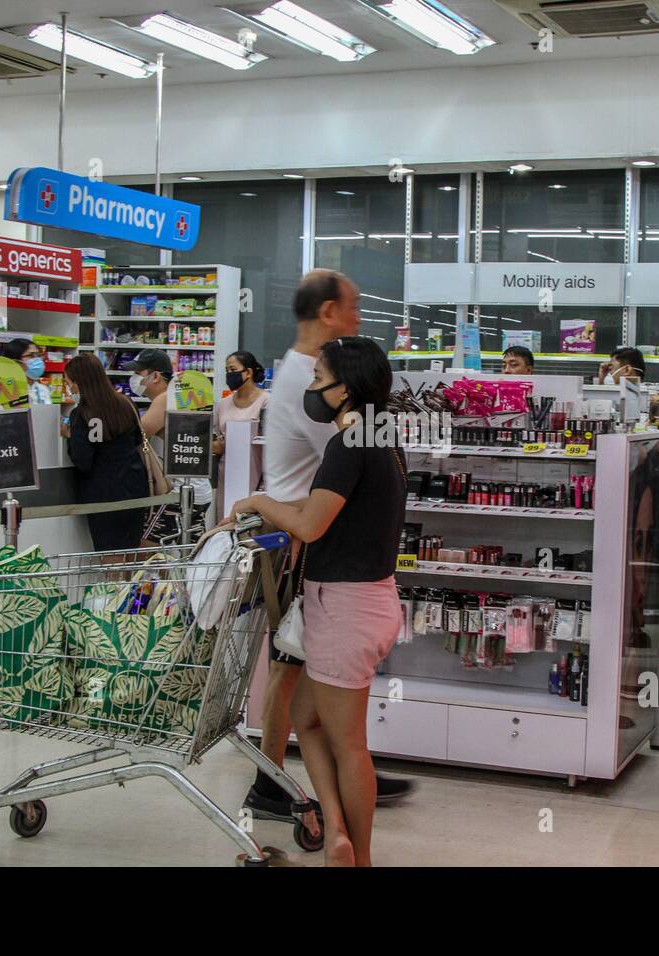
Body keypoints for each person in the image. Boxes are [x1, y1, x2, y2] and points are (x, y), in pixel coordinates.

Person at [243, 269, 413, 823]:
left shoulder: (348, 416)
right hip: (299, 546)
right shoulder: (309, 382)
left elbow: (347, 460)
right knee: (291, 665)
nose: (359, 315)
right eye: (354, 305)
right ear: (328, 312)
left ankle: (306, 776)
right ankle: (281, 778)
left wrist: (257, 503)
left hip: (313, 540)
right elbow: (343, 459)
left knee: (295, 668)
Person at [61, 354, 149, 552]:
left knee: (109, 556)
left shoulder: (82, 413)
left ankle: (113, 585)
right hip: (135, 488)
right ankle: (129, 584)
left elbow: (83, 460)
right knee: (130, 553)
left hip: (103, 495)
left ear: (79, 382)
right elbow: (137, 440)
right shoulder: (126, 404)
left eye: (69, 382)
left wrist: (69, 435)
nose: (69, 388)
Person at [135, 348, 212, 539]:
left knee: (146, 547)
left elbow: (137, 435)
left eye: (138, 374)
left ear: (155, 376)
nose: (135, 379)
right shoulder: (183, 393)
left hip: (178, 493)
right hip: (200, 490)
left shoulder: (165, 398)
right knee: (191, 552)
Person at [213, 350, 270, 508]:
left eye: (233, 370)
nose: (229, 374)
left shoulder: (266, 402)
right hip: (227, 474)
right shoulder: (222, 404)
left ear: (249, 372)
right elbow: (218, 437)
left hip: (256, 472)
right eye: (227, 371)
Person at [0, 338, 52, 404]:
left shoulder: (43, 389)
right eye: (31, 355)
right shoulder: (4, 391)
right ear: (15, 361)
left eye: (38, 355)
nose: (37, 359)